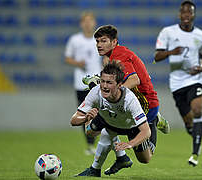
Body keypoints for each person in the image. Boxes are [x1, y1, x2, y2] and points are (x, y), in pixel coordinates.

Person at [87, 24, 170, 176]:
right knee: (102, 126)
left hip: (145, 105)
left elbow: (134, 79)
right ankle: (119, 159)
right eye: (97, 41)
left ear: (114, 42)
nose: (99, 45)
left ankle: (155, 121)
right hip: (135, 104)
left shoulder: (119, 56)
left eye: (103, 41)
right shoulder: (114, 56)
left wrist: (111, 94)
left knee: (145, 158)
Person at [70, 61, 152, 177]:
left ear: (119, 85)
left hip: (131, 126)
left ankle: (155, 120)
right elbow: (73, 120)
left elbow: (146, 131)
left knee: (145, 159)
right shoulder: (96, 92)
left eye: (109, 82)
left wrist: (130, 144)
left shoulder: (129, 99)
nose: (104, 86)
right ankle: (96, 169)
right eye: (102, 81)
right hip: (109, 120)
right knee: (91, 132)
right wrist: (86, 117)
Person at [154, 0, 202, 167]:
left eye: (189, 12)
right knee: (189, 123)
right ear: (179, 14)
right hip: (177, 83)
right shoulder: (168, 32)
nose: (186, 15)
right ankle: (195, 134)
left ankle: (195, 154)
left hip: (195, 80)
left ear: (193, 15)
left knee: (198, 109)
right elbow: (157, 57)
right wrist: (172, 52)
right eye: (183, 12)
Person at [64, 12, 102, 155]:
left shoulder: (98, 39)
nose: (87, 23)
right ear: (81, 23)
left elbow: (104, 58)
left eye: (90, 21)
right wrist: (77, 63)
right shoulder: (75, 40)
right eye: (85, 21)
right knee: (84, 114)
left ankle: (101, 142)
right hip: (81, 83)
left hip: (98, 83)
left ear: (94, 23)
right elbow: (67, 58)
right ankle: (90, 144)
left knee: (100, 113)